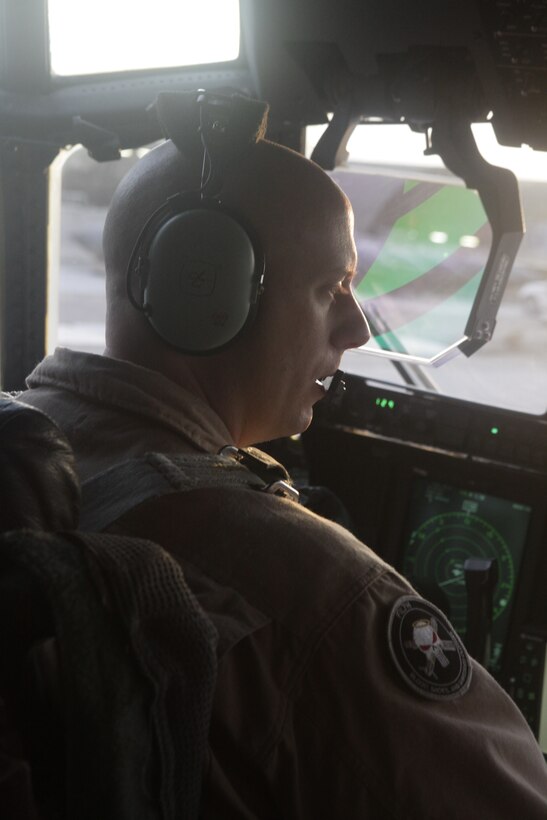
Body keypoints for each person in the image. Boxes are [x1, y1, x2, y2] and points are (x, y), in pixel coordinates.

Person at [20, 93, 547, 817]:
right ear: (202, 290)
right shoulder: (311, 593)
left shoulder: (22, 452)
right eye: (331, 287)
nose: (355, 328)